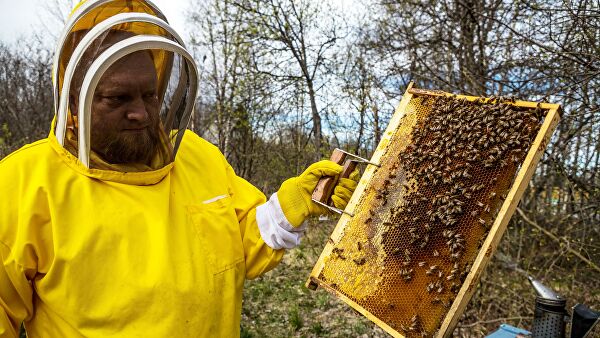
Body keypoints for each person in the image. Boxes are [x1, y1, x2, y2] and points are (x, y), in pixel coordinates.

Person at [0, 1, 358, 337]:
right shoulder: (21, 185)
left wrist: (292, 203)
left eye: (150, 94)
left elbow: (240, 239)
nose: (140, 112)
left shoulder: (195, 155)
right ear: (75, 99)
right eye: (117, 98)